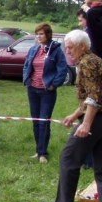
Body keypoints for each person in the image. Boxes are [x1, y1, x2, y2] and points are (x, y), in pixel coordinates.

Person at [43, 30, 102, 202]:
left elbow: (94, 97)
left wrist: (85, 124)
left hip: (98, 119)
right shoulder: (96, 60)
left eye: (70, 47)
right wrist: (75, 114)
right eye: (66, 47)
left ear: (83, 46)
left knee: (69, 158)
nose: (67, 51)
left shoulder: (86, 63)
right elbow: (95, 94)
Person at [22, 23, 68, 164]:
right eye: (37, 34)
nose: (38, 36)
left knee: (44, 121)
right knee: (36, 121)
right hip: (33, 90)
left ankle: (43, 153)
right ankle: (38, 150)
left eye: (41, 34)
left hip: (47, 92)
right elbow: (26, 65)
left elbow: (62, 69)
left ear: (48, 35)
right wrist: (27, 80)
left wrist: (54, 85)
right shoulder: (33, 49)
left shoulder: (56, 50)